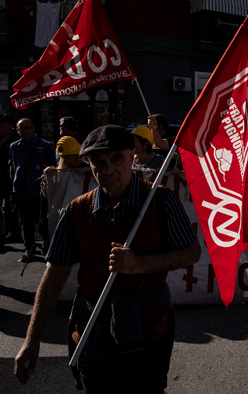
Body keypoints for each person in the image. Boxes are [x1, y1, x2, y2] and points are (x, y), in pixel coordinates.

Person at [14, 125, 201, 393]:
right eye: (98, 162)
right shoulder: (76, 211)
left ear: (132, 155)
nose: (108, 169)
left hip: (147, 331)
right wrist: (31, 339)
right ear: (88, 164)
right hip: (92, 331)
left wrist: (140, 265)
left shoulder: (160, 200)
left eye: (117, 159)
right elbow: (54, 274)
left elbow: (191, 253)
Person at [9, 118, 56, 262]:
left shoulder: (46, 146)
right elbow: (12, 167)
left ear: (33, 128)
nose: (25, 130)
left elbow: (54, 168)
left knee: (41, 221)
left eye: (27, 127)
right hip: (21, 192)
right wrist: (14, 186)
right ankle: (29, 248)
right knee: (25, 223)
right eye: (21, 128)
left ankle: (47, 245)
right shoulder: (14, 146)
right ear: (17, 131)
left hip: (38, 191)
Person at [0, 114, 20, 250]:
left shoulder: (16, 140)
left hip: (10, 177)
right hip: (0, 176)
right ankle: (4, 231)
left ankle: (13, 232)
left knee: (9, 206)